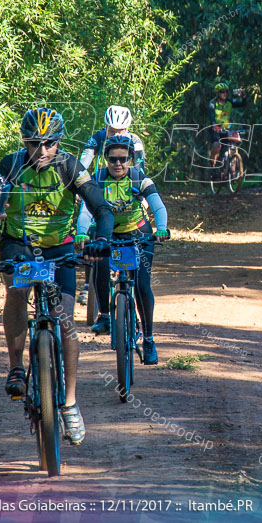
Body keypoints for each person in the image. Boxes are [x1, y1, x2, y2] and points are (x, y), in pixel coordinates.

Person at [0, 107, 113, 445]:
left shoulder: (70, 166)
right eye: (35, 143)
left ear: (59, 142)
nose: (42, 151)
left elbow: (102, 207)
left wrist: (101, 239)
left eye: (49, 143)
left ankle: (69, 404)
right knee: (17, 293)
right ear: (25, 142)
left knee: (65, 318)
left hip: (59, 248)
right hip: (19, 247)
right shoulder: (10, 166)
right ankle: (15, 368)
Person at [76, 135, 170, 365]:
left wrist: (162, 229)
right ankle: (105, 315)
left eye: (123, 159)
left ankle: (148, 339)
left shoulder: (140, 178)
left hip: (139, 233)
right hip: (108, 233)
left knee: (141, 285)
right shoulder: (96, 179)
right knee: (99, 261)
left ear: (131, 159)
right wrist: (81, 231)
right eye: (113, 159)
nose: (118, 164)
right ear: (106, 159)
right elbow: (87, 211)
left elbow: (158, 206)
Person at [80, 105, 147, 175]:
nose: (116, 136)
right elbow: (82, 165)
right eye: (112, 131)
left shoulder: (135, 141)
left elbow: (140, 172)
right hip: (99, 183)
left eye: (120, 132)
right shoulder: (98, 138)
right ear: (106, 127)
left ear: (127, 129)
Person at [207, 81, 246, 169]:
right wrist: (214, 125)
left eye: (226, 92)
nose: (225, 94)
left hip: (227, 128)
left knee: (233, 145)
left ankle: (232, 170)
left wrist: (243, 96)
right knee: (217, 146)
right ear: (217, 93)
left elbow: (243, 104)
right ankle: (212, 164)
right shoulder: (212, 104)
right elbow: (212, 116)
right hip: (216, 129)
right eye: (222, 91)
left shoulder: (229, 102)